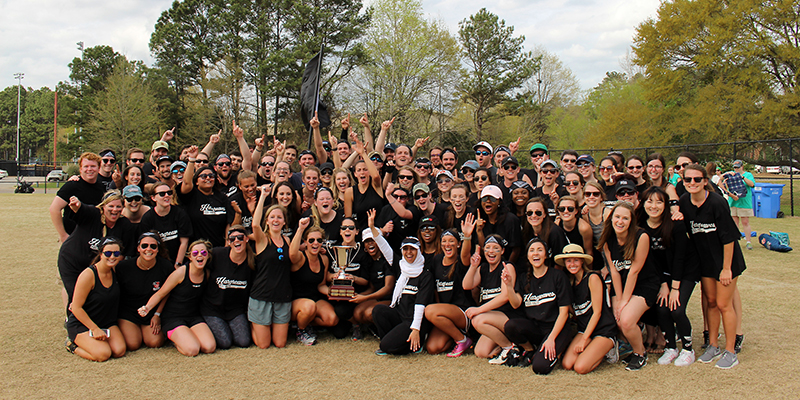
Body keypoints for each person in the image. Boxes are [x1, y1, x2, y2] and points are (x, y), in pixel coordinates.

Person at [680, 164, 746, 369]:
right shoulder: (684, 202)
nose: (692, 183)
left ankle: (730, 351)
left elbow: (729, 239)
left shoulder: (717, 202)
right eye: (687, 180)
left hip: (726, 261)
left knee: (724, 304)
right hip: (705, 261)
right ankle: (713, 345)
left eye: (697, 179)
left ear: (705, 181)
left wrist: (726, 269)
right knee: (710, 302)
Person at [637, 186, 700, 366]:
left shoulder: (675, 224)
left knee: (676, 309)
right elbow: (651, 261)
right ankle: (671, 347)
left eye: (659, 201)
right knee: (662, 308)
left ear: (666, 205)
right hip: (663, 274)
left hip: (685, 271)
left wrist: (674, 288)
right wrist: (664, 284)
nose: (654, 206)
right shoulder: (641, 227)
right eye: (650, 201)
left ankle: (688, 349)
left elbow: (679, 258)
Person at [598, 202, 660, 371]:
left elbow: (634, 271)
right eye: (617, 217)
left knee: (625, 320)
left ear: (631, 221)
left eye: (625, 218)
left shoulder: (641, 237)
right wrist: (618, 299)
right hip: (623, 285)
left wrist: (624, 302)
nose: (620, 221)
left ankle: (640, 354)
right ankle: (632, 342)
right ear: (611, 219)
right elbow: (615, 272)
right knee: (616, 317)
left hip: (645, 284)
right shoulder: (607, 240)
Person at [500, 238, 572, 373]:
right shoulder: (524, 278)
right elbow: (516, 304)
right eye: (532, 250)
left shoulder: (558, 276)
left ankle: (557, 348)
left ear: (546, 255)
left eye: (540, 250)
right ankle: (530, 349)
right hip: (537, 328)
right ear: (527, 256)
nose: (535, 254)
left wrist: (551, 338)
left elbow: (564, 313)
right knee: (510, 326)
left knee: (540, 367)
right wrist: (509, 286)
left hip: (557, 328)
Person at [138, 240, 217, 357]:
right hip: (173, 318)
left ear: (208, 256)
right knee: (192, 350)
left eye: (203, 253)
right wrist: (147, 307)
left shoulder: (207, 274)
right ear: (190, 257)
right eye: (195, 253)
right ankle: (176, 340)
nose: (199, 255)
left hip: (193, 316)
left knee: (209, 347)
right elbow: (161, 293)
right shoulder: (180, 273)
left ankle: (186, 335)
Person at [58, 190, 135, 306]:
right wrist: (76, 205)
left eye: (118, 206)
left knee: (96, 297)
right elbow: (81, 209)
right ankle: (72, 322)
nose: (115, 210)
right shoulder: (93, 214)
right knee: (77, 296)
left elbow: (122, 255)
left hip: (98, 267)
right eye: (111, 206)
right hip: (72, 261)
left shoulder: (125, 225)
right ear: (103, 206)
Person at [64, 237, 126, 362]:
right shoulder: (88, 275)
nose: (112, 257)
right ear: (100, 254)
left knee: (119, 350)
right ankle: (72, 345)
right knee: (103, 354)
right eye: (108, 253)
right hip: (83, 324)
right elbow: (76, 307)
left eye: (116, 253)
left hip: (106, 322)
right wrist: (94, 329)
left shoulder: (115, 270)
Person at [559, 244, 618, 374]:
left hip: (603, 329)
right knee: (567, 364)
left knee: (580, 367)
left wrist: (584, 340)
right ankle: (592, 348)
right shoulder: (570, 284)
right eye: (568, 260)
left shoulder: (592, 278)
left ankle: (609, 349)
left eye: (576, 260)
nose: (572, 264)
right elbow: (574, 311)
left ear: (582, 261)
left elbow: (597, 313)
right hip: (584, 329)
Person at [372, 237, 435, 355]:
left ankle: (416, 343)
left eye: (413, 249)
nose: (409, 252)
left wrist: (416, 329)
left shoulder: (425, 275)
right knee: (378, 310)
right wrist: (372, 228)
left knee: (386, 346)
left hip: (414, 321)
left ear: (419, 251)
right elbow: (385, 247)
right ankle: (393, 342)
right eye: (405, 249)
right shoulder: (401, 267)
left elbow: (420, 304)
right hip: (400, 316)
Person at [424, 219, 477, 356]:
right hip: (444, 313)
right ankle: (458, 337)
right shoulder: (437, 260)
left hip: (462, 311)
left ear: (458, 244)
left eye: (452, 241)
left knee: (429, 310)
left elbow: (466, 253)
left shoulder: (461, 261)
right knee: (433, 348)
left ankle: (462, 340)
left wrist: (467, 236)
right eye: (444, 241)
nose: (447, 245)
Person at [462, 235, 518, 362]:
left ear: (502, 251)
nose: (491, 251)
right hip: (489, 319)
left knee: (477, 319)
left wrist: (479, 310)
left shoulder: (507, 266)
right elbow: (466, 285)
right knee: (481, 352)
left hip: (507, 315)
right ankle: (513, 345)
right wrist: (473, 266)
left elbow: (505, 297)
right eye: (487, 248)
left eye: (495, 248)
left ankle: (509, 348)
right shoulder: (483, 268)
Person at [249, 190, 293, 349]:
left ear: (284, 222)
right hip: (262, 296)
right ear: (266, 221)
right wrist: (262, 196)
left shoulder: (287, 240)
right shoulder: (262, 240)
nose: (276, 220)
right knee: (264, 345)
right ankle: (252, 325)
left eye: (279, 217)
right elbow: (254, 224)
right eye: (272, 217)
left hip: (282, 296)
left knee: (280, 344)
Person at [116, 232, 173, 350]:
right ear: (138, 248)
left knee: (155, 342)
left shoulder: (166, 267)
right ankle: (134, 331)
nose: (148, 249)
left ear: (158, 249)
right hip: (129, 312)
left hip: (151, 312)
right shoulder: (123, 267)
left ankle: (144, 331)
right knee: (132, 344)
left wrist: (157, 314)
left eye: (153, 246)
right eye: (144, 246)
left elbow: (166, 293)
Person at [202, 226, 254, 349]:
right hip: (213, 308)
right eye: (232, 238)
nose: (236, 240)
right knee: (225, 342)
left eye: (240, 237)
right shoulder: (217, 254)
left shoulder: (252, 263)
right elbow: (198, 265)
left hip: (235, 310)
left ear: (246, 239)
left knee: (244, 341)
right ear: (228, 242)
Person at [289, 218, 337, 345]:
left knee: (332, 319)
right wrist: (300, 229)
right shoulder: (300, 257)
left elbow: (321, 285)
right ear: (305, 242)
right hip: (296, 301)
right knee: (310, 306)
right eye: (311, 240)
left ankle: (303, 323)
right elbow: (292, 254)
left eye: (319, 240)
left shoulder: (324, 259)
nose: (315, 243)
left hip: (314, 298)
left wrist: (335, 293)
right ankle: (301, 330)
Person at [351, 210, 397, 337]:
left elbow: (388, 288)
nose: (370, 243)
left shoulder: (387, 260)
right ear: (364, 246)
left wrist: (365, 298)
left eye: (373, 240)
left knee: (368, 313)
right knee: (357, 313)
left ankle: (386, 330)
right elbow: (372, 287)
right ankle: (375, 327)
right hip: (377, 298)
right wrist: (357, 296)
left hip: (391, 300)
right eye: (367, 241)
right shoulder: (369, 262)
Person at [180, 146, 237, 247]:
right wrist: (192, 160)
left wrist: (227, 245)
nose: (208, 178)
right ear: (196, 181)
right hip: (198, 249)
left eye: (211, 176)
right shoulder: (192, 196)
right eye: (203, 176)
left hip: (219, 247)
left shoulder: (222, 197)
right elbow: (186, 182)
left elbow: (228, 223)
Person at [50, 152, 106, 242]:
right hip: (73, 238)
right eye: (86, 166)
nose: (89, 169)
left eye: (93, 166)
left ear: (99, 168)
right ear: (80, 169)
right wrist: (63, 235)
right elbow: (54, 209)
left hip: (94, 238)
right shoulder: (72, 186)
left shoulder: (102, 188)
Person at [140, 182, 191, 265]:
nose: (167, 195)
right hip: (157, 262)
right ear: (153, 198)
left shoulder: (180, 214)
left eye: (169, 193)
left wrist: (178, 264)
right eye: (162, 194)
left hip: (179, 260)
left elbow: (184, 242)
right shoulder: (147, 218)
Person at [345, 138, 384, 230]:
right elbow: (348, 218)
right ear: (355, 174)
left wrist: (363, 154)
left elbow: (376, 177)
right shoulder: (350, 192)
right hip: (361, 232)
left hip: (379, 231)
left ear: (369, 172)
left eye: (365, 170)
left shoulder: (376, 186)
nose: (362, 173)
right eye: (359, 170)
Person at [475, 185, 522, 263]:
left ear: (499, 202)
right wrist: (479, 231)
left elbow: (516, 250)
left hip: (508, 265)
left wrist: (507, 267)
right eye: (485, 198)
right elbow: (483, 251)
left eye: (493, 199)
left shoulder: (511, 220)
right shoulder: (480, 220)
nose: (488, 201)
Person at [521, 197, 568, 263]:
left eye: (538, 213)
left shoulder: (555, 232)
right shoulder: (526, 230)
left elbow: (560, 261)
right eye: (529, 213)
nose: (533, 216)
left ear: (545, 214)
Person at [721, 160, 755, 250]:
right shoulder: (730, 175)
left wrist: (742, 177)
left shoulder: (748, 175)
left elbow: (752, 184)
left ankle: (748, 241)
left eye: (738, 167)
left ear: (742, 167)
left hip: (744, 203)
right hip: (733, 202)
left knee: (745, 222)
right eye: (735, 167)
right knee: (734, 223)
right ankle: (736, 241)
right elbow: (721, 184)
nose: (736, 169)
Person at [582, 182, 611, 271]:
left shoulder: (607, 214)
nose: (591, 197)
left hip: (613, 257)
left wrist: (607, 266)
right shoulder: (585, 215)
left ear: (601, 197)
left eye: (596, 194)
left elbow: (612, 245)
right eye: (588, 194)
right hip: (599, 258)